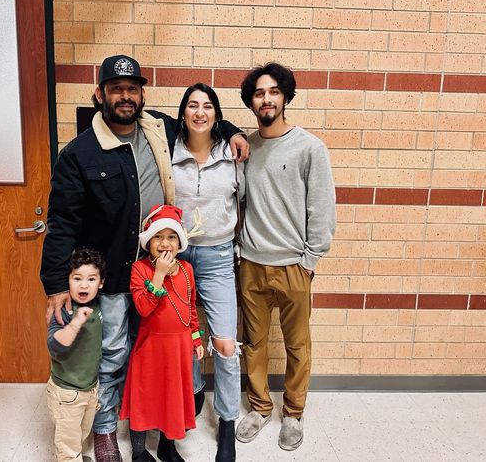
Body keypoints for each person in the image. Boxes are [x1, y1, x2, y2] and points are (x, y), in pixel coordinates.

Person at [40, 54, 248, 462]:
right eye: (116, 89)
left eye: (132, 88)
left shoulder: (158, 128)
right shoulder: (79, 153)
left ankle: (157, 429)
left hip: (163, 266)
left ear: (141, 94)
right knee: (115, 351)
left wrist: (234, 130)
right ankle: (104, 432)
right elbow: (61, 221)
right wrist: (53, 284)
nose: (125, 96)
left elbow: (202, 121)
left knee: (154, 348)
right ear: (99, 94)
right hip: (115, 272)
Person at [235, 63, 336, 451]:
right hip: (252, 265)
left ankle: (293, 414)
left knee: (298, 346)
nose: (266, 99)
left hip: (295, 265)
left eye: (274, 91)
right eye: (260, 93)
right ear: (251, 101)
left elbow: (322, 209)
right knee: (254, 343)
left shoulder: (310, 147)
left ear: (286, 97)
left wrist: (309, 260)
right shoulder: (244, 147)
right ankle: (259, 407)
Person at [172, 83, 244, 462]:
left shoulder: (231, 154)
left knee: (226, 345)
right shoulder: (168, 151)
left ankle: (227, 422)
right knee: (181, 337)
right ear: (182, 113)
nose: (200, 112)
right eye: (192, 106)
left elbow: (244, 202)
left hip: (217, 256)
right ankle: (196, 388)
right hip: (177, 258)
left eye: (208, 106)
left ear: (217, 115)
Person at [120, 204, 203, 462]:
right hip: (150, 348)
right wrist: (159, 274)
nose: (164, 243)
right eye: (158, 236)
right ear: (148, 242)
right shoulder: (140, 269)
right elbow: (144, 308)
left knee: (172, 397)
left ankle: (168, 446)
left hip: (178, 349)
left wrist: (196, 337)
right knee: (143, 399)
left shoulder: (187, 270)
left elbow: (190, 308)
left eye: (171, 237)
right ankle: (138, 452)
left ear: (179, 243)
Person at [46, 248, 105, 462]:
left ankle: (76, 454)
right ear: (67, 281)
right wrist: (76, 322)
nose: (83, 284)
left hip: (89, 387)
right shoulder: (64, 310)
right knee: (67, 444)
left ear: (100, 283)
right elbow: (54, 345)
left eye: (91, 279)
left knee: (80, 433)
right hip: (67, 392)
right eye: (77, 278)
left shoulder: (97, 304)